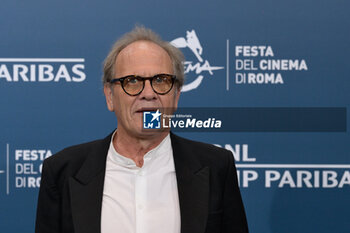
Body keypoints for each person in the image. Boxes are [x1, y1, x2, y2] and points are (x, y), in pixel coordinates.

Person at [35, 26, 248, 233]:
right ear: (110, 96)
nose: (148, 94)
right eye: (133, 81)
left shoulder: (217, 167)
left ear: (176, 95)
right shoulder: (63, 171)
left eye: (161, 80)